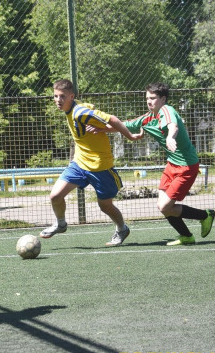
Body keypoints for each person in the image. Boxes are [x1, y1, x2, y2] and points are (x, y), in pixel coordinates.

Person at [96, 82, 215, 245]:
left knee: (166, 207)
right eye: (147, 98)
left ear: (163, 99)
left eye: (152, 98)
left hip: (187, 166)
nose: (149, 101)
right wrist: (101, 128)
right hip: (171, 165)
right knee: (162, 206)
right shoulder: (147, 118)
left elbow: (173, 126)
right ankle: (186, 236)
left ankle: (205, 215)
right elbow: (124, 125)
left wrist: (170, 137)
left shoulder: (167, 110)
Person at [41, 79, 144, 246]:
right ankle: (60, 224)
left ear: (71, 96)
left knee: (105, 206)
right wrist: (102, 128)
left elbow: (112, 119)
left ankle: (122, 228)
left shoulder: (80, 112)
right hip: (79, 163)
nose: (58, 100)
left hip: (100, 166)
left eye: (62, 96)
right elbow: (104, 124)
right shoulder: (72, 110)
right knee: (55, 196)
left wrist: (130, 136)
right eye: (55, 96)